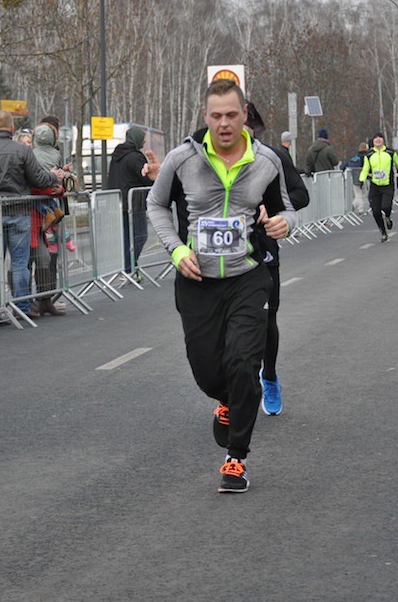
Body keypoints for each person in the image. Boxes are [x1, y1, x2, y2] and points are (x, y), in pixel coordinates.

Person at [146, 79, 296, 493]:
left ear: (244, 115)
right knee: (207, 371)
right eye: (216, 116)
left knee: (243, 364)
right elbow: (156, 203)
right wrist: (177, 250)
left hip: (248, 276)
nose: (224, 123)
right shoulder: (181, 159)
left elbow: (287, 207)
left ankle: (236, 459)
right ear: (205, 116)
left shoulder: (267, 160)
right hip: (198, 281)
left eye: (231, 115)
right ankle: (225, 400)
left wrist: (284, 223)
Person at [244, 102, 309, 417]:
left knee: (266, 320)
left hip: (264, 248)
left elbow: (300, 194)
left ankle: (268, 377)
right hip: (224, 253)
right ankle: (234, 388)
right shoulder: (207, 161)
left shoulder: (273, 157)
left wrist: (274, 211)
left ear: (253, 127)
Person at [0, 111, 62, 319]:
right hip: (20, 211)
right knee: (19, 263)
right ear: (11, 128)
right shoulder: (22, 151)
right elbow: (39, 179)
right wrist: (54, 176)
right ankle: (21, 307)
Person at [30, 121, 71, 315]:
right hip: (29, 215)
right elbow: (35, 184)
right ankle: (26, 304)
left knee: (43, 258)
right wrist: (56, 188)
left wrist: (58, 189)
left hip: (36, 215)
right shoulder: (36, 155)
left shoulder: (33, 155)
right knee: (27, 261)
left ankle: (43, 300)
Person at [106, 125, 159, 274]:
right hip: (135, 203)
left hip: (119, 202)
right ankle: (129, 267)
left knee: (127, 237)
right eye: (142, 139)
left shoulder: (117, 155)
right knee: (140, 235)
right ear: (137, 139)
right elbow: (146, 179)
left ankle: (129, 268)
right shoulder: (136, 156)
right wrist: (155, 180)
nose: (144, 142)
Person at [358, 131, 398, 242]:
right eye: (376, 138)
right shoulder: (369, 155)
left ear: (383, 140)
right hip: (375, 186)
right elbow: (365, 169)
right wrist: (361, 180)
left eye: (380, 137)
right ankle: (383, 232)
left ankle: (388, 217)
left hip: (387, 185)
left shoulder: (391, 153)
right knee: (375, 211)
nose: (378, 140)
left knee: (385, 206)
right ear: (373, 141)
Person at [342, 142, 369, 215]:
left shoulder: (355, 156)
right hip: (363, 177)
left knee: (358, 193)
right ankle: (360, 209)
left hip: (354, 177)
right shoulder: (367, 156)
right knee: (362, 194)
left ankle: (353, 206)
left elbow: (345, 165)